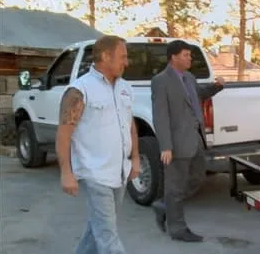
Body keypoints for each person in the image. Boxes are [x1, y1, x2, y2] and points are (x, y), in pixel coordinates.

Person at [56, 35, 140, 254]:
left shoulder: (125, 88)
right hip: (94, 173)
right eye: (122, 57)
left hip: (119, 171)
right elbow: (64, 134)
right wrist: (66, 172)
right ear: (105, 56)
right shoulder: (79, 90)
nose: (127, 62)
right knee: (108, 238)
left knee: (98, 229)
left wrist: (136, 159)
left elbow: (130, 125)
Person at [151, 39, 224, 242]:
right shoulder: (161, 81)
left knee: (197, 178)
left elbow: (197, 95)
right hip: (176, 143)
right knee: (175, 186)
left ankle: (164, 206)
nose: (190, 58)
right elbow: (160, 115)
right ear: (173, 57)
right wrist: (165, 145)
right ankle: (178, 229)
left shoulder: (189, 77)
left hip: (196, 140)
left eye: (190, 55)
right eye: (186, 55)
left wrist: (216, 87)